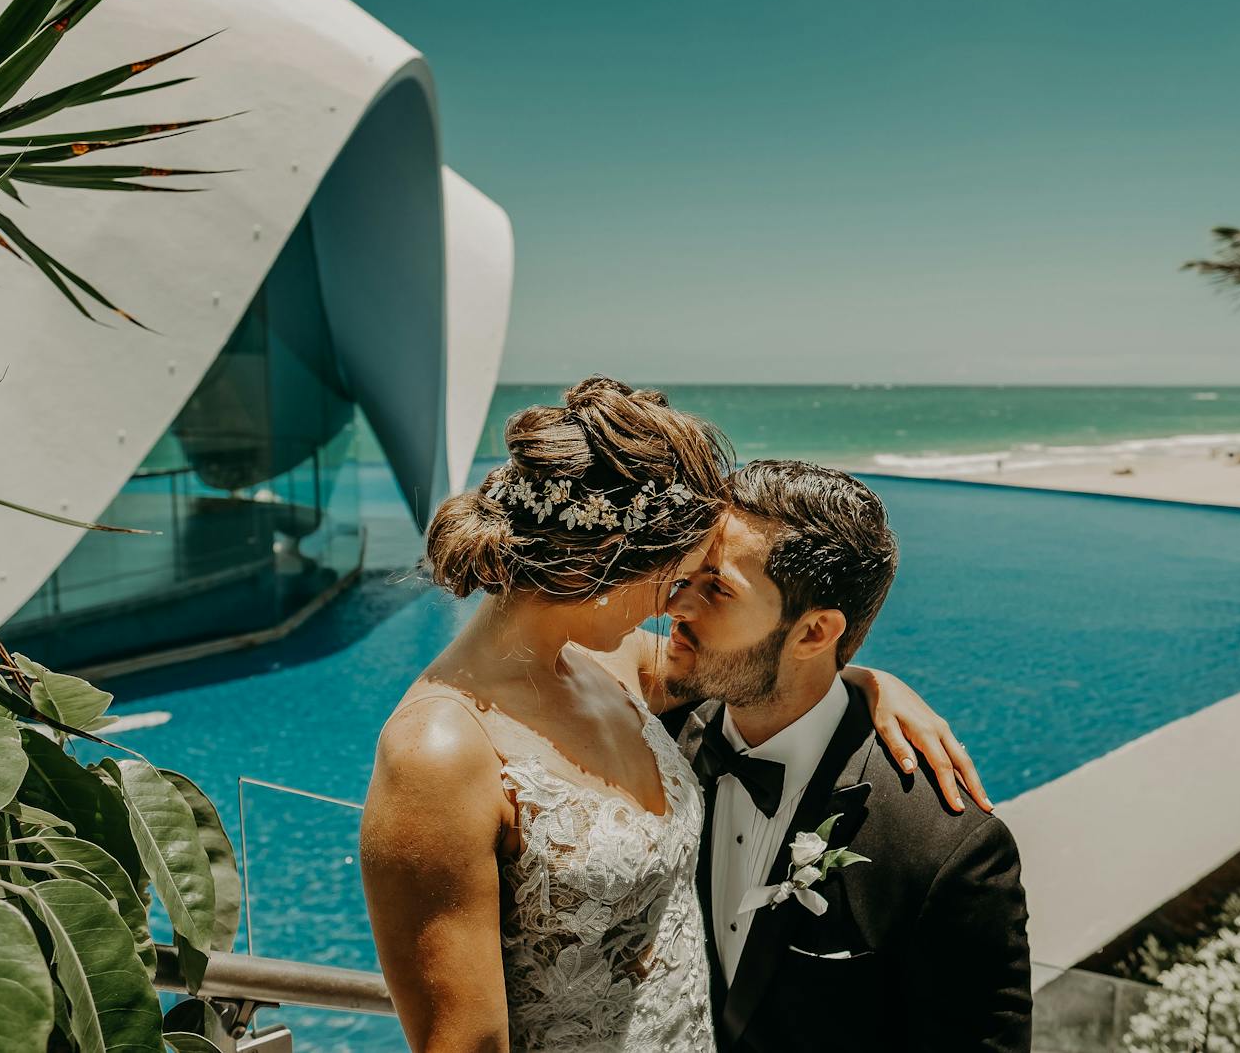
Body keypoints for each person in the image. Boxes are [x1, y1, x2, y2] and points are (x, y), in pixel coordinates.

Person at [360, 378, 986, 1053]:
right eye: (675, 578)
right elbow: (465, 1044)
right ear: (607, 565)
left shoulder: (614, 660)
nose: (673, 608)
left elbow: (765, 665)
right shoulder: (439, 750)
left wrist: (866, 678)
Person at [667, 459, 1032, 1052]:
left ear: (815, 632)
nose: (677, 605)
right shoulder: (646, 738)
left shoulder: (944, 848)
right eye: (684, 577)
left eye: (717, 588)